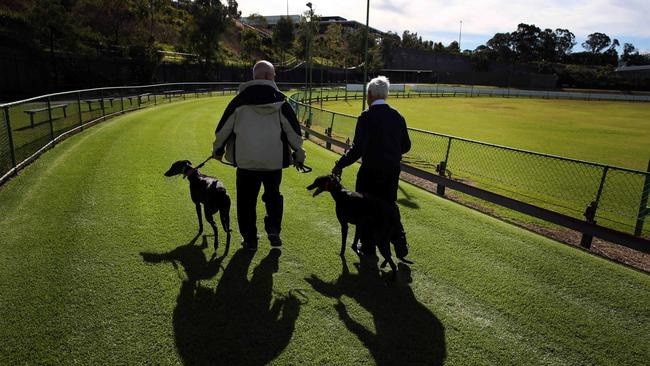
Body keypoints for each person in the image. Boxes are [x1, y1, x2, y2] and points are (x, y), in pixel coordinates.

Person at [212, 60, 306, 251]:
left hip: (246, 163)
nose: (275, 77)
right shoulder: (280, 101)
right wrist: (298, 152)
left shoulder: (239, 101)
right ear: (267, 76)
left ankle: (250, 239)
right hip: (273, 163)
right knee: (273, 196)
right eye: (273, 74)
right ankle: (273, 229)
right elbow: (294, 132)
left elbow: (223, 129)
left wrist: (218, 150)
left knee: (246, 202)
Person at [331, 75, 411, 259]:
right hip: (391, 170)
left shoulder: (366, 117)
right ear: (386, 95)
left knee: (365, 207)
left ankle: (368, 246)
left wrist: (340, 164)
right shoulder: (397, 116)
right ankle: (399, 240)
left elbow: (358, 149)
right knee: (389, 205)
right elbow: (406, 145)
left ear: (370, 95)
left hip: (370, 170)